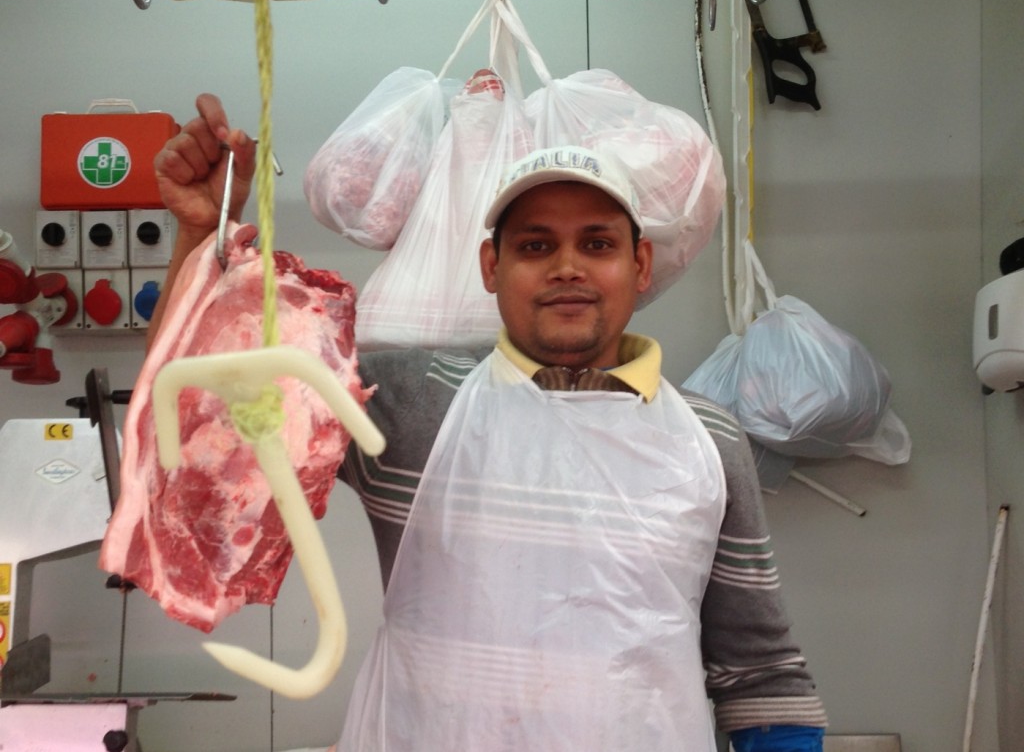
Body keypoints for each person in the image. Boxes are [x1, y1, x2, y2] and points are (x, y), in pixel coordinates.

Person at [152, 95, 828, 752]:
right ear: (491, 266)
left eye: (597, 243)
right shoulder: (407, 408)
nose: (568, 266)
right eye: (536, 245)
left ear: (640, 264)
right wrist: (196, 235)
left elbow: (760, 673)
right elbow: (189, 429)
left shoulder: (707, 440)